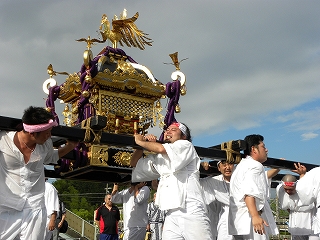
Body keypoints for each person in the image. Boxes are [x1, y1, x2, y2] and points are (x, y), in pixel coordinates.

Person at [0, 106, 78, 240]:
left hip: (34, 206)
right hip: (7, 206)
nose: (49, 136)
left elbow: (52, 157)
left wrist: (70, 146)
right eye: (46, 133)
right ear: (32, 133)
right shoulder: (3, 140)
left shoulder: (45, 145)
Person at [130, 122, 213, 240]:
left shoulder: (186, 145)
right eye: (167, 130)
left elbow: (160, 148)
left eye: (173, 130)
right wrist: (140, 147)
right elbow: (134, 164)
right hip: (171, 213)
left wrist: (140, 141)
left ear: (183, 136)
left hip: (191, 209)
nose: (168, 132)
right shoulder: (159, 158)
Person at [228, 134, 278, 239]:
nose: (266, 150)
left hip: (240, 223)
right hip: (251, 220)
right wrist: (255, 216)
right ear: (254, 149)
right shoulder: (255, 166)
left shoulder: (241, 166)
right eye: (263, 147)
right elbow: (249, 192)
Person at [276, 173, 319, 240]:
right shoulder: (281, 190)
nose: (288, 191)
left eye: (291, 189)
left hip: (311, 220)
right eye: (286, 189)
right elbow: (286, 206)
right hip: (296, 224)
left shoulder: (306, 189)